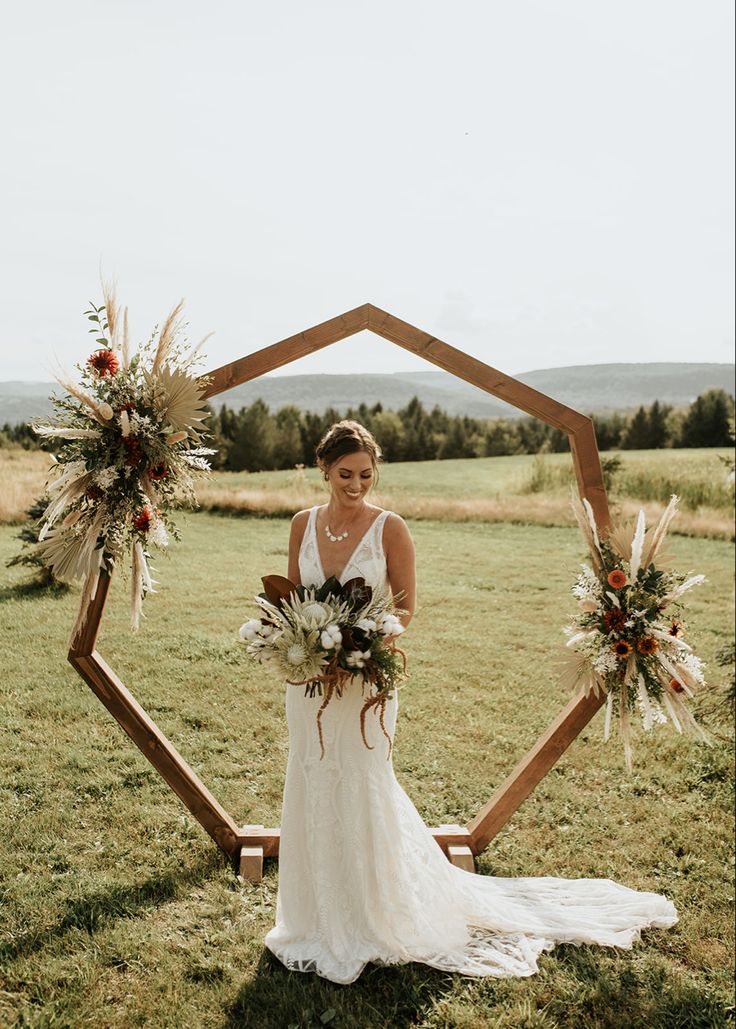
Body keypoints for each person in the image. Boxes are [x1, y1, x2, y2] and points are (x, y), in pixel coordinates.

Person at [263, 420, 678, 985]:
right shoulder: (301, 525)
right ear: (323, 469)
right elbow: (291, 600)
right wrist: (301, 644)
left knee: (361, 779)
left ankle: (373, 913)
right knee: (312, 774)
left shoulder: (391, 528)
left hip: (366, 683)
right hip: (309, 684)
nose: (356, 484)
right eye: (344, 475)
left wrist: (363, 641)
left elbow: (405, 609)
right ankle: (315, 915)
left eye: (365, 474)